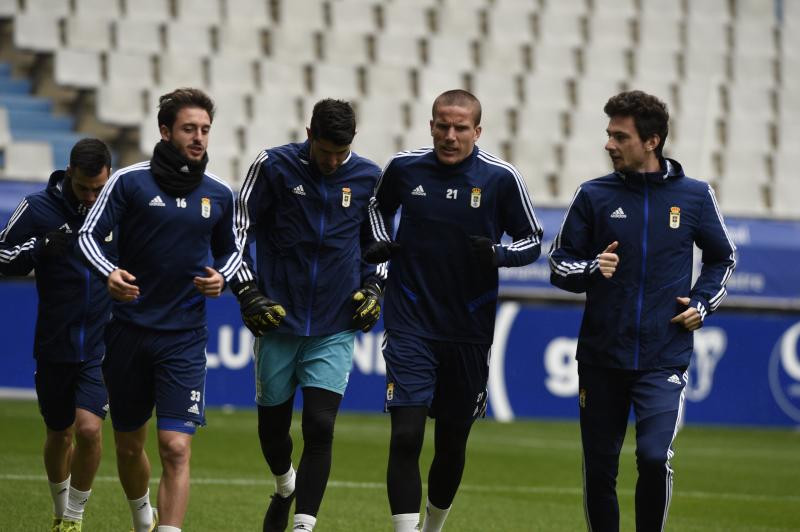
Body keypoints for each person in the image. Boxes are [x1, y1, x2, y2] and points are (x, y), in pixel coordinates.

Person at [548, 90, 737, 531]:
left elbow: (722, 258)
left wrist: (703, 302)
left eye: (620, 136)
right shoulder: (593, 195)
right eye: (609, 134)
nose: (609, 144)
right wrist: (593, 268)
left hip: (663, 355)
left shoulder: (694, 196)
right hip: (601, 357)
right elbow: (560, 264)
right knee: (600, 469)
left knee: (654, 457)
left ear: (652, 141)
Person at [364, 89, 543, 532]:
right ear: (430, 125)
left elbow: (533, 240)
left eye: (460, 127)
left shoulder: (501, 178)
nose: (449, 135)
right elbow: (375, 211)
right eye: (442, 125)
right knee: (406, 435)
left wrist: (500, 254)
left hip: (468, 328)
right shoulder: (404, 168)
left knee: (451, 444)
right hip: (410, 322)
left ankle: (433, 526)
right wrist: (379, 246)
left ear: (477, 131)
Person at [77, 88, 242, 532]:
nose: (199, 138)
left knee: (175, 446)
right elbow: (89, 236)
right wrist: (110, 272)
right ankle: (141, 518)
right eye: (190, 129)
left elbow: (234, 252)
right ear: (165, 131)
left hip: (184, 337)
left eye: (205, 130)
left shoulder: (221, 193)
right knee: (130, 447)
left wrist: (222, 277)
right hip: (128, 332)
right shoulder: (129, 181)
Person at [231, 98, 384, 532]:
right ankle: (284, 486)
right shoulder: (272, 166)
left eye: (342, 152)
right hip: (278, 321)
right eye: (325, 152)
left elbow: (382, 243)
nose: (334, 162)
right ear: (309, 134)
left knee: (320, 426)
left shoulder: (369, 177)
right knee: (273, 432)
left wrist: (374, 284)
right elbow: (237, 231)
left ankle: (304, 525)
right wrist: (247, 291)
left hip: (335, 324)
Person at [0, 139, 113, 532]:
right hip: (54, 342)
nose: (91, 196)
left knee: (88, 428)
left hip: (102, 343)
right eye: (84, 188)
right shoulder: (37, 207)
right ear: (69, 174)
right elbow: (1, 255)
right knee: (59, 433)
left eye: (99, 188)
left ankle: (75, 518)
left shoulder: (117, 209)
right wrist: (38, 247)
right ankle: (60, 508)